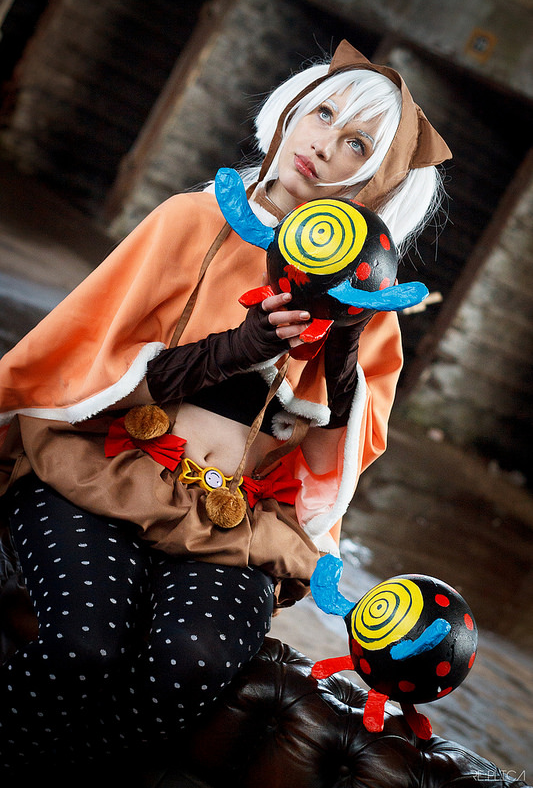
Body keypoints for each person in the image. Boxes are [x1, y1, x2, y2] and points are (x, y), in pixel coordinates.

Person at [0, 40, 451, 773]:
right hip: (100, 469)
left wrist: (342, 344)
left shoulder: (372, 310)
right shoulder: (188, 219)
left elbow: (332, 467)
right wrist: (234, 349)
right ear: (289, 112)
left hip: (232, 518)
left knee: (194, 661)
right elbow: (86, 373)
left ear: (375, 184)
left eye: (356, 144)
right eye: (322, 114)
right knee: (84, 642)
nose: (323, 145)